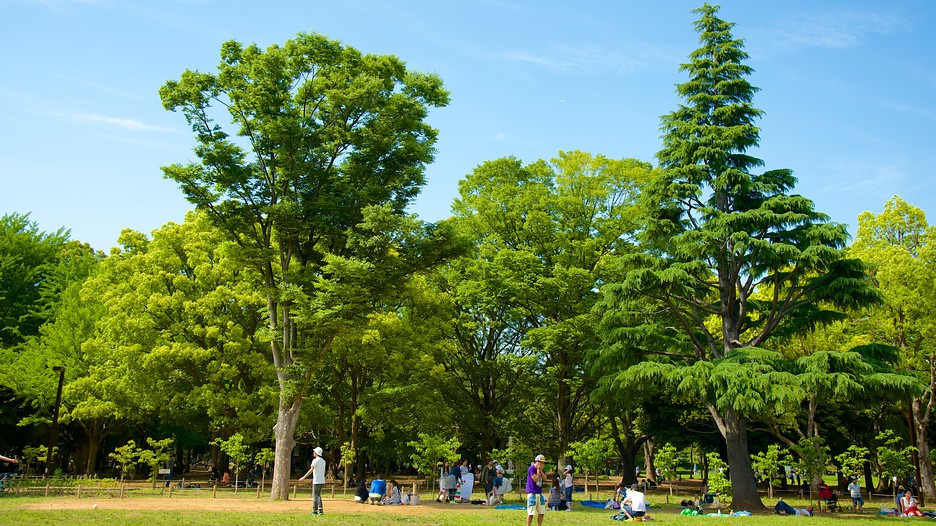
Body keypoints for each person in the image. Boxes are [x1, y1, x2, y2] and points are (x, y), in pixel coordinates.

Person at [298, 446, 327, 515]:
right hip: (322, 480)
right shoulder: (323, 461)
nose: (313, 453)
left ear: (317, 453)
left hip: (317, 481)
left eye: (314, 452)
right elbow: (324, 471)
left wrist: (303, 477)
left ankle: (315, 510)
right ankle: (320, 510)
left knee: (315, 496)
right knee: (318, 495)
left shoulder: (315, 460)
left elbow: (311, 470)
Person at [526, 454, 547, 526]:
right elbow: (535, 479)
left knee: (541, 512)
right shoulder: (531, 468)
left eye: (543, 463)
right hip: (532, 493)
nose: (542, 464)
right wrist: (538, 471)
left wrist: (541, 471)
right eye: (541, 462)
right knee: (531, 513)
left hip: (539, 493)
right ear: (537, 462)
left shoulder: (542, 470)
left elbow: (545, 479)